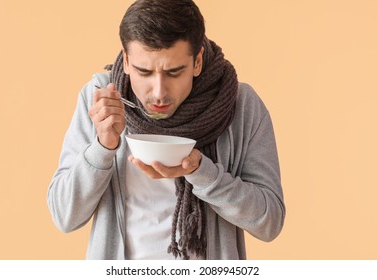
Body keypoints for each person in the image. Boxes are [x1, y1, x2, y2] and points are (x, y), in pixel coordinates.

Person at [47, 0, 285, 260]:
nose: (159, 92)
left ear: (197, 62)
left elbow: (269, 222)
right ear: (126, 61)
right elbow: (64, 216)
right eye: (144, 71)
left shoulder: (239, 105)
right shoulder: (101, 101)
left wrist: (201, 172)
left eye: (174, 72)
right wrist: (103, 147)